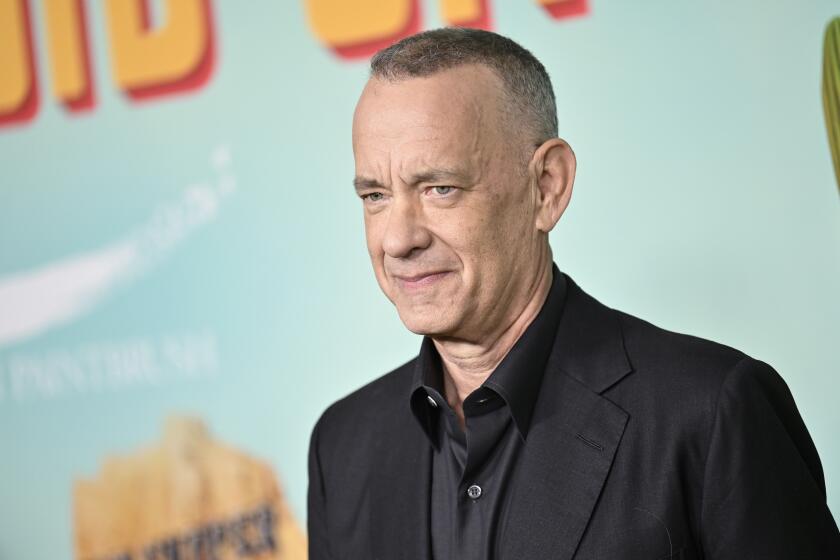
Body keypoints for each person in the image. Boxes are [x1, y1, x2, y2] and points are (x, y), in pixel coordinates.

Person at [307, 27, 840, 559]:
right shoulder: (342, 446)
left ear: (547, 186)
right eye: (375, 195)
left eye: (440, 188)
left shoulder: (711, 413)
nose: (399, 239)